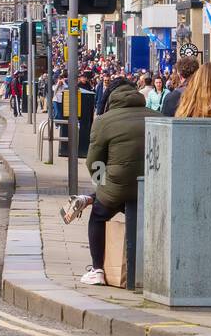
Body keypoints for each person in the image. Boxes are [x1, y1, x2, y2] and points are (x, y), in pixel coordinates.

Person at [60, 78, 155, 286]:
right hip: (152, 188)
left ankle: (98, 270)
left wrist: (101, 183)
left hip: (117, 189)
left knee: (98, 216)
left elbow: (93, 162)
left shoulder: (104, 121)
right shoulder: (157, 117)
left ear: (110, 98)